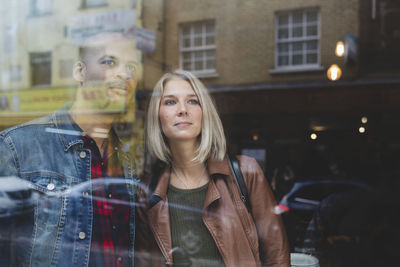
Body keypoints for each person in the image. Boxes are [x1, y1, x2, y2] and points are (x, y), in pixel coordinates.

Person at [0, 32, 140, 267]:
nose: (125, 74)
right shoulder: (16, 147)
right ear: (79, 72)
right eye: (109, 62)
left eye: (132, 66)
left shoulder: (127, 159)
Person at [135, 70, 289, 267]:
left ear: (204, 112)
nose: (182, 109)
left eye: (193, 101)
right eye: (170, 102)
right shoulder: (147, 193)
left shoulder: (245, 172)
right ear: (157, 115)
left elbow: (277, 257)